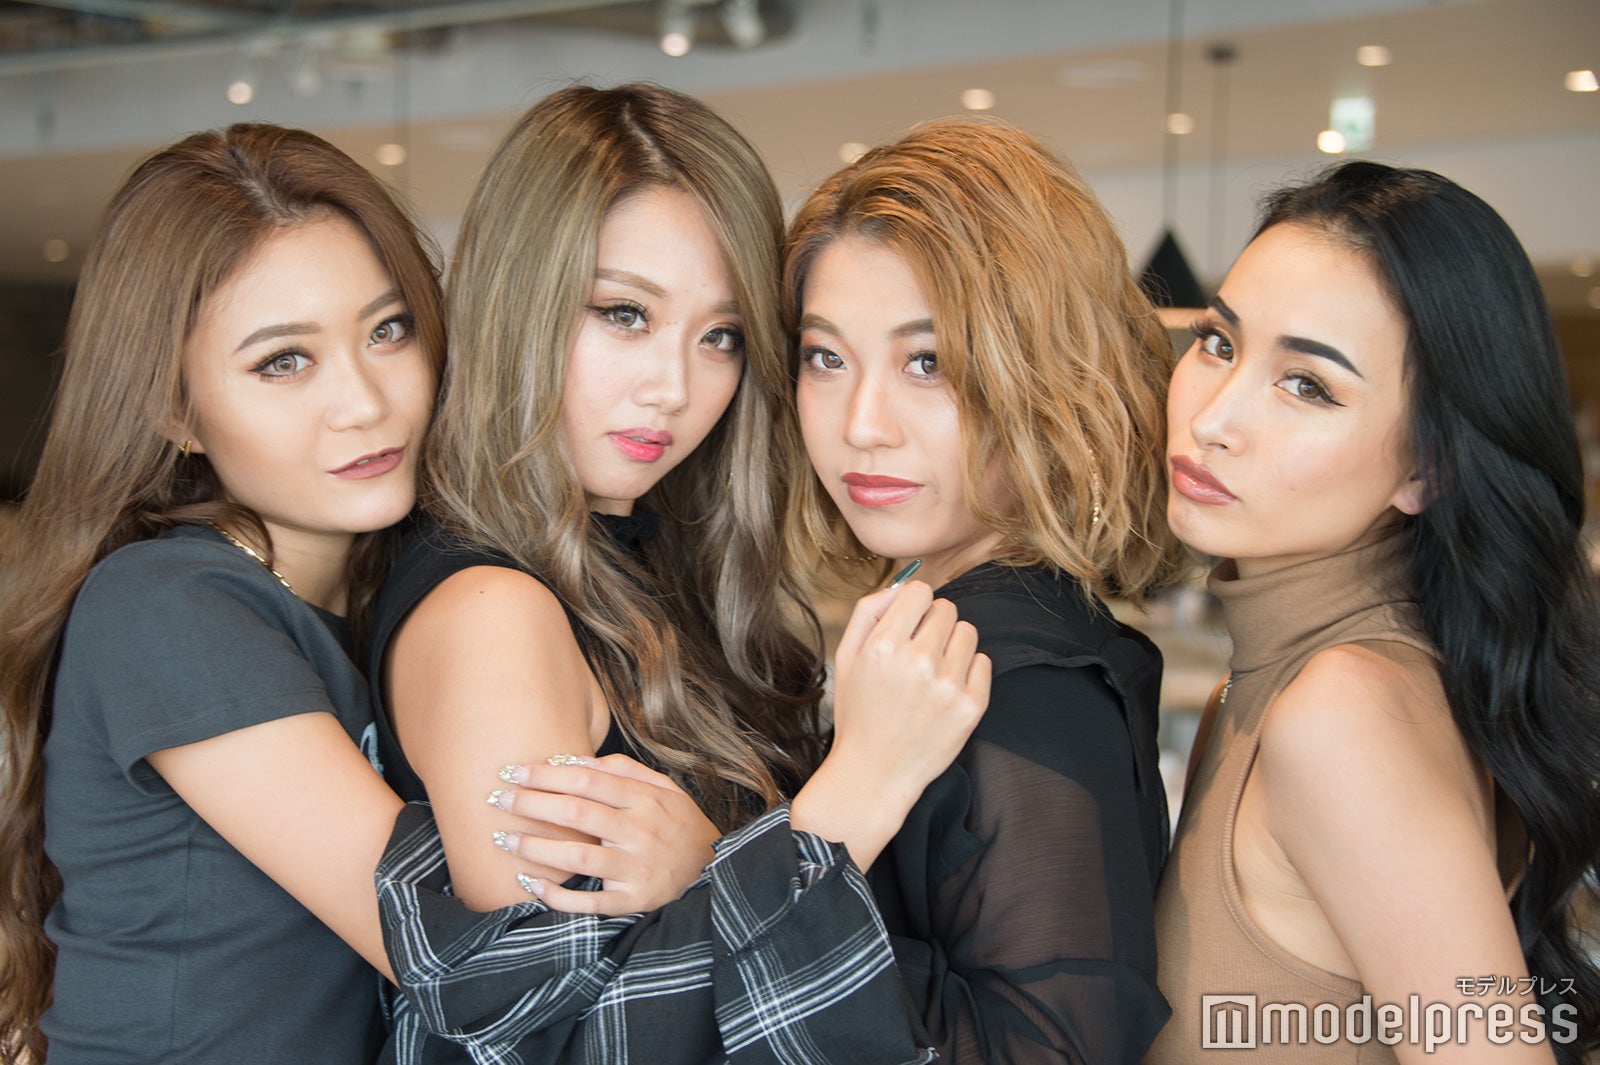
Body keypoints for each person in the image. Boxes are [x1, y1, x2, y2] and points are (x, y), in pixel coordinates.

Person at [367, 83, 990, 1063]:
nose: (674, 387)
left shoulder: (654, 563)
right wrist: (854, 796)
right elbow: (555, 1038)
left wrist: (709, 862)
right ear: (517, 301)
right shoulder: (493, 611)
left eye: (721, 336)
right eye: (623, 314)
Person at [0, 123, 444, 1064]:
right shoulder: (165, 604)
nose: (365, 402)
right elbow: (446, 948)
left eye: (388, 329)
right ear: (175, 409)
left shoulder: (387, 599)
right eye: (284, 360)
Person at [1151, 161, 1600, 1064]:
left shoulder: (1339, 710)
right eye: (1219, 342)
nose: (1214, 418)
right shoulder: (1282, 680)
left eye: (1308, 385)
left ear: (1426, 468)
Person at [773, 117, 1184, 1063]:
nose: (862, 425)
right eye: (826, 357)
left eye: (929, 363)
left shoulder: (1021, 685)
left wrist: (736, 883)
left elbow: (1052, 1048)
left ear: (1043, 375)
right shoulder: (941, 616)